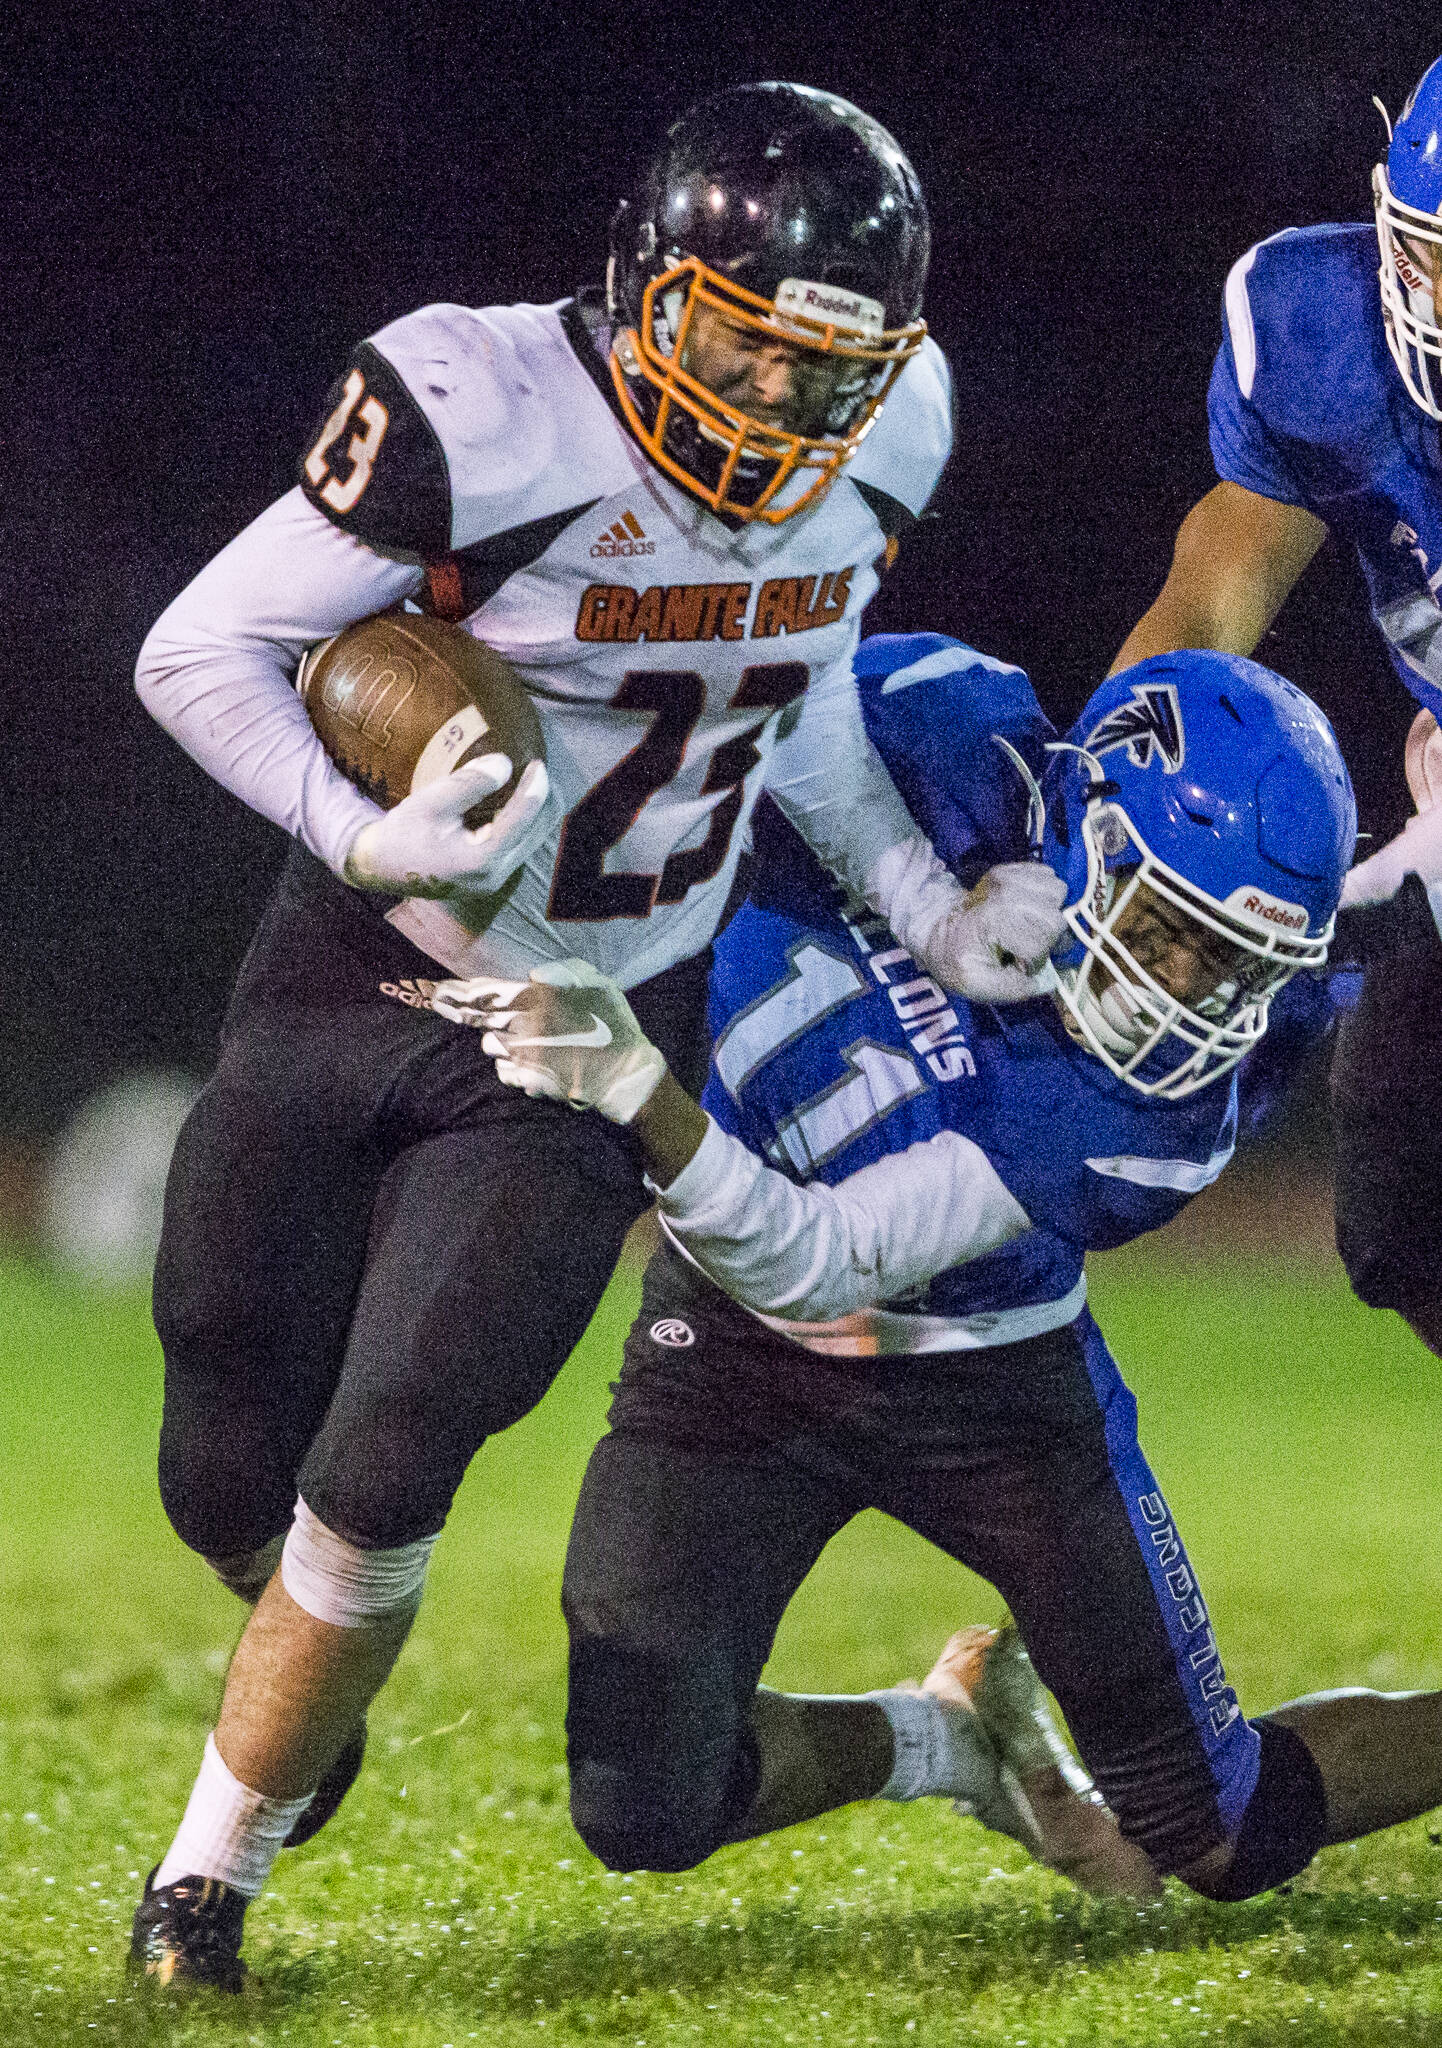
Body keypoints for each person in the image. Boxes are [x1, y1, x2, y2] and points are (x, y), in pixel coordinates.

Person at [127, 87, 1070, 1992]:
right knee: (221, 1463)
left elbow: (793, 697)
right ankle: (300, 1685)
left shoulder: (889, 429)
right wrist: (356, 823)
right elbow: (194, 647)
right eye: (744, 340)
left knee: (392, 1452)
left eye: (829, 368)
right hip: (351, 963)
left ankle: (200, 1885)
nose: (783, 406)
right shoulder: (482, 411)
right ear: (651, 284)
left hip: (591, 1021)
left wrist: (921, 904)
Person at [448, 635, 1442, 1904]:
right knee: (641, 1799)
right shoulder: (935, 728)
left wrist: (637, 1087)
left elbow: (822, 1256)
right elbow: (762, 704)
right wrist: (925, 887)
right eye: (1171, 933)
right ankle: (946, 1740)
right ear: (1088, 823)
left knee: (1214, 1829)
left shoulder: (1151, 1122)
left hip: (995, 1377)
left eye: (1230, 964)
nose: (1190, 995)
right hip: (732, 1352)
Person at [1111, 54, 1442, 1353]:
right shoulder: (1316, 327)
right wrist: (1116, 782)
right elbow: (1215, 584)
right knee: (1404, 1213)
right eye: (1428, 251)